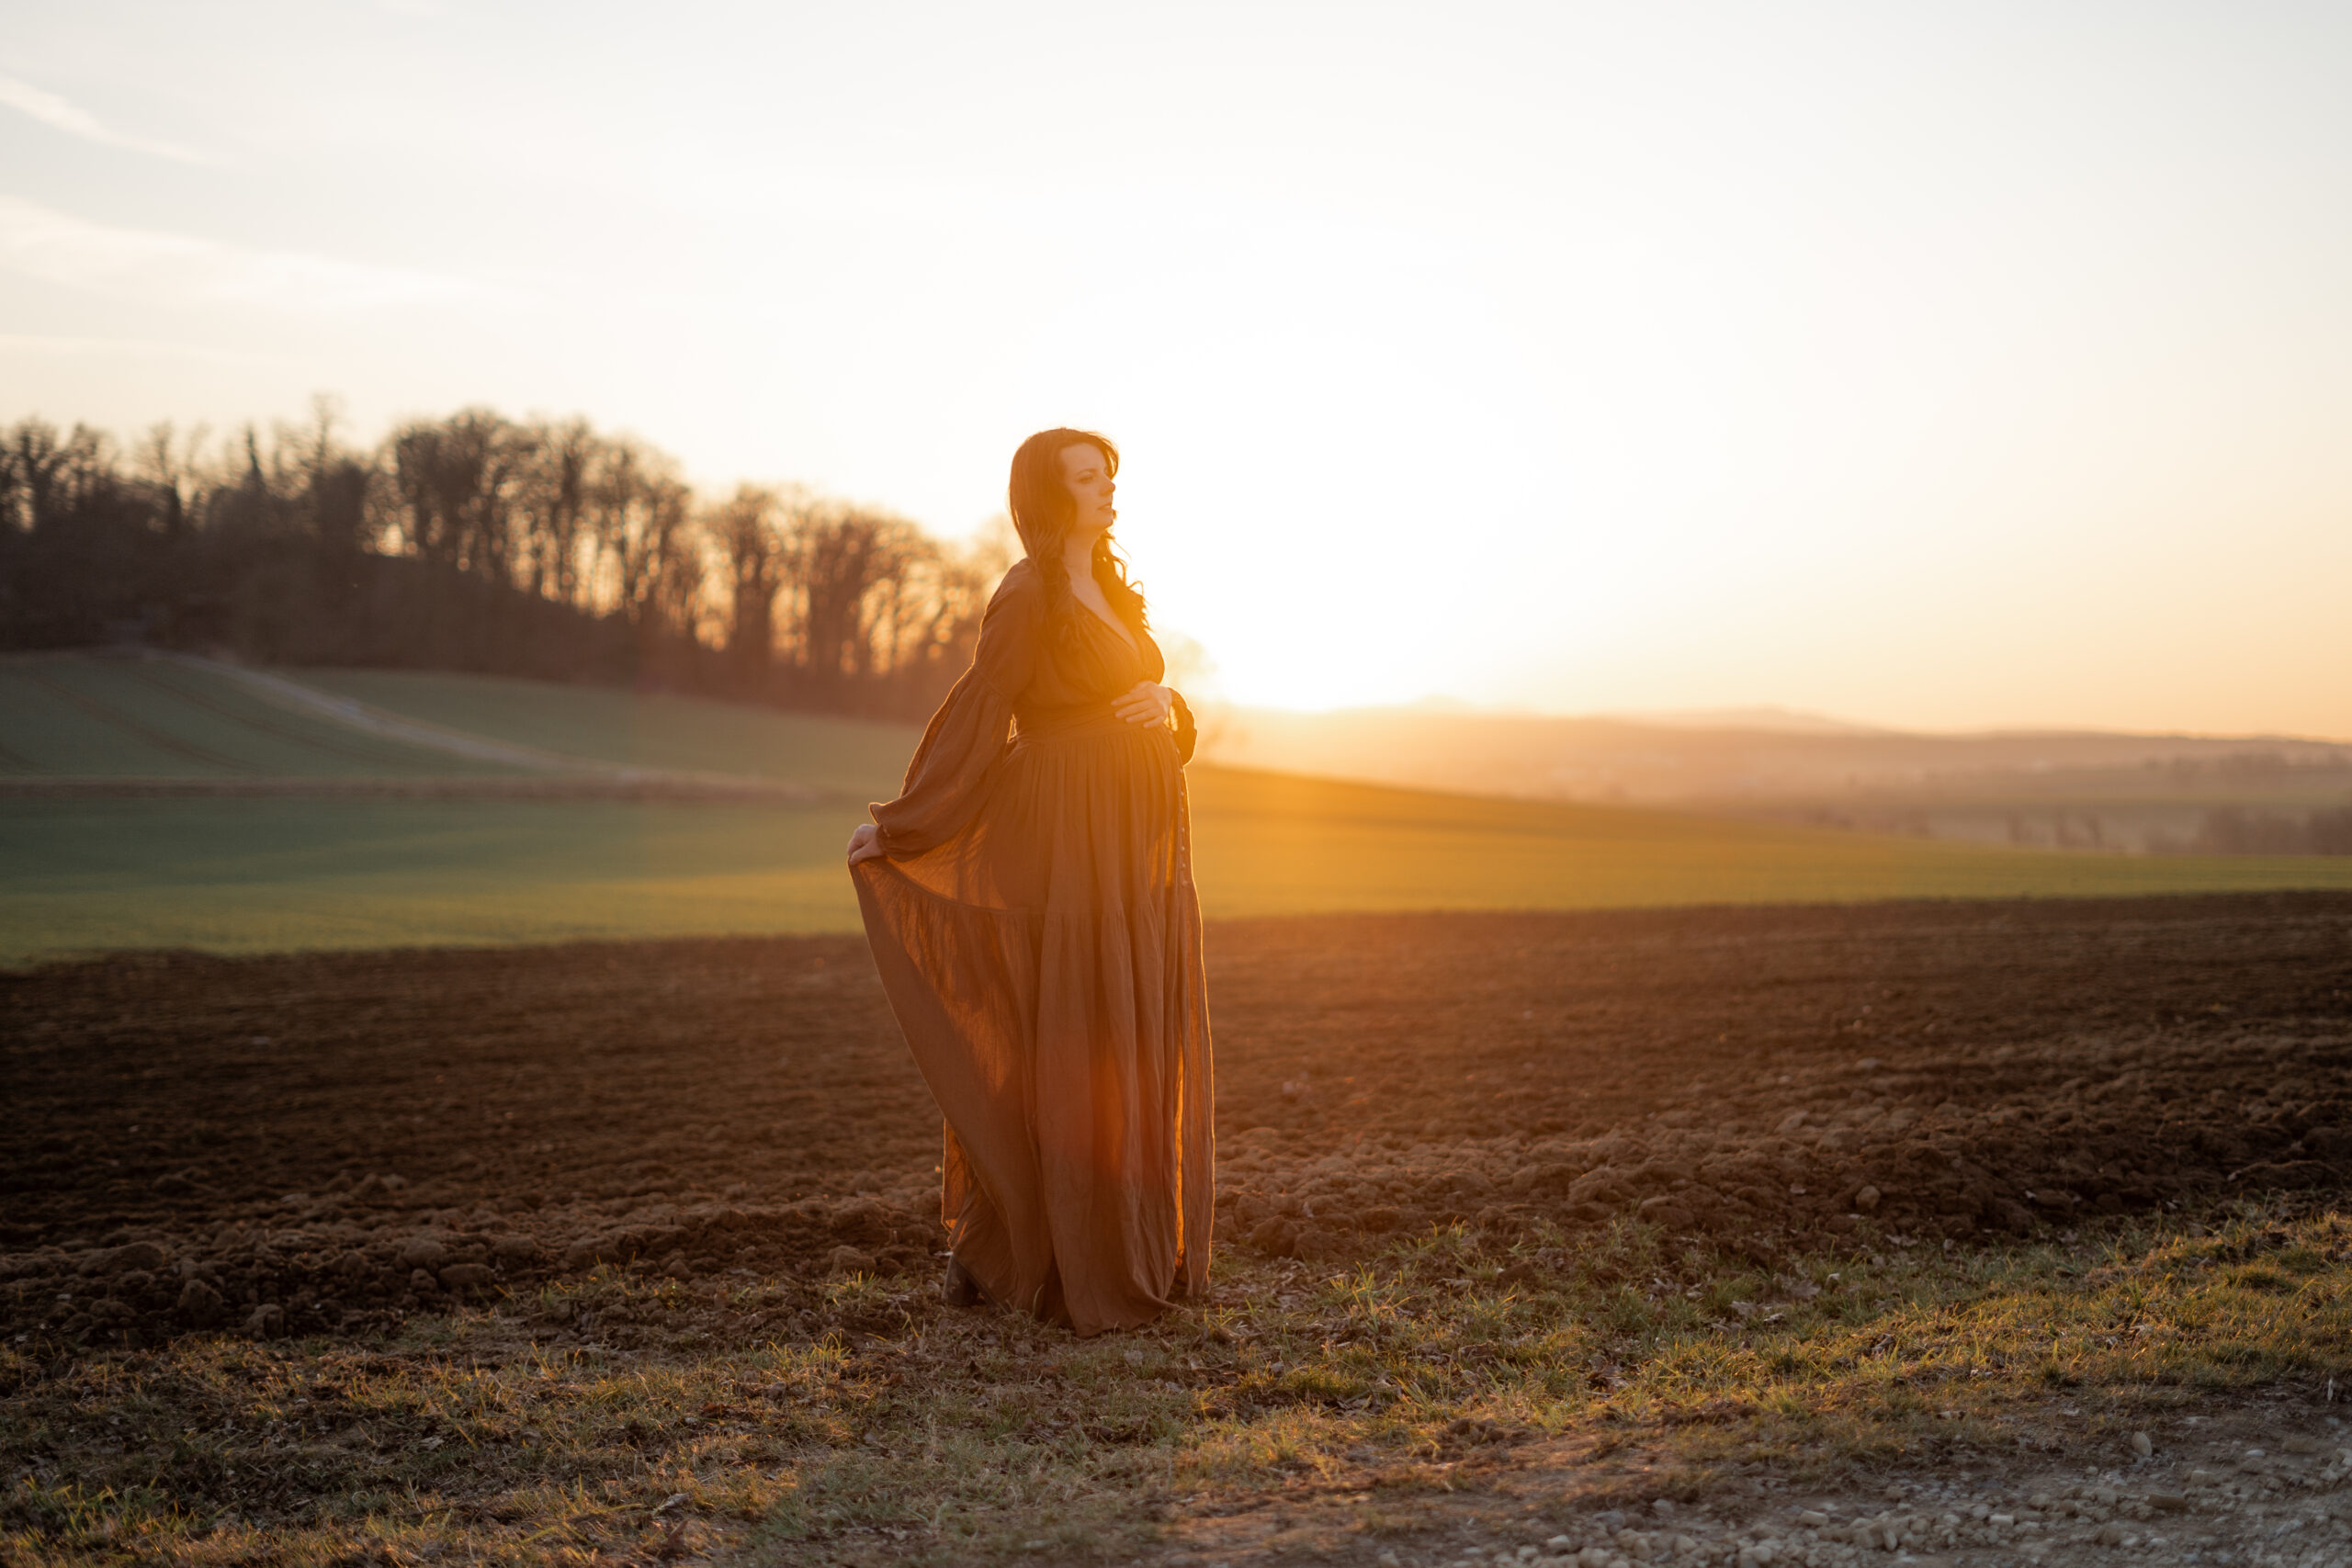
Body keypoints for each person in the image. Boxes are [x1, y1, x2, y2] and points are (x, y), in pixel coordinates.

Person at [845, 428, 1214, 1336]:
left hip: (1133, 842)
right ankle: (1029, 1254)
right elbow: (980, 707)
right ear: (1050, 498)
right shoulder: (1027, 592)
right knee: (1073, 1036)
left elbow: (1152, 707)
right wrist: (906, 822)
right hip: (1067, 835)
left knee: (1127, 1036)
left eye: (1108, 475)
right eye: (1087, 480)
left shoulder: (1115, 588)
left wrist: (1170, 708)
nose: (1107, 491)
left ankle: (1127, 1245)